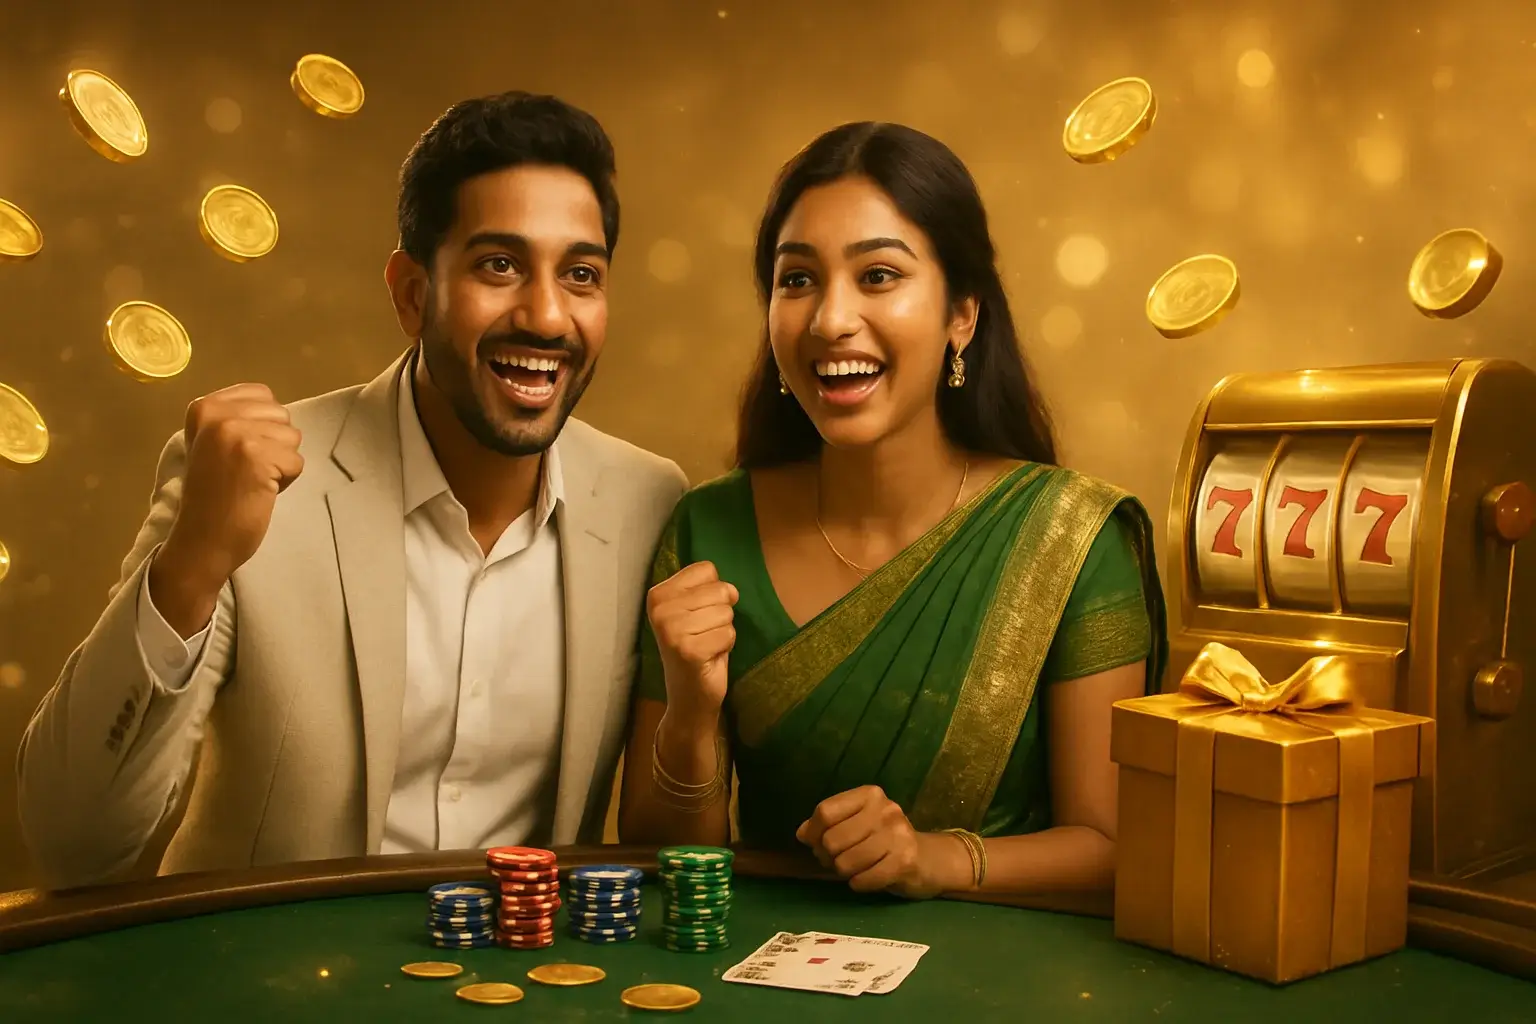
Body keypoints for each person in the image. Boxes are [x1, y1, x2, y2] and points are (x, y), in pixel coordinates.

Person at [18, 92, 686, 889]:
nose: (546, 315)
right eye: (499, 265)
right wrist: (191, 562)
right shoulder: (253, 484)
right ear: (412, 294)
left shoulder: (648, 502)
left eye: (581, 274)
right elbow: (72, 846)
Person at [617, 122, 1167, 902]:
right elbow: (660, 868)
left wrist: (937, 860)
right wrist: (689, 716)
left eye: (878, 276)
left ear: (962, 315)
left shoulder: (1072, 539)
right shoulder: (707, 533)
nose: (829, 321)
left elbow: (1115, 854)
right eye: (796, 280)